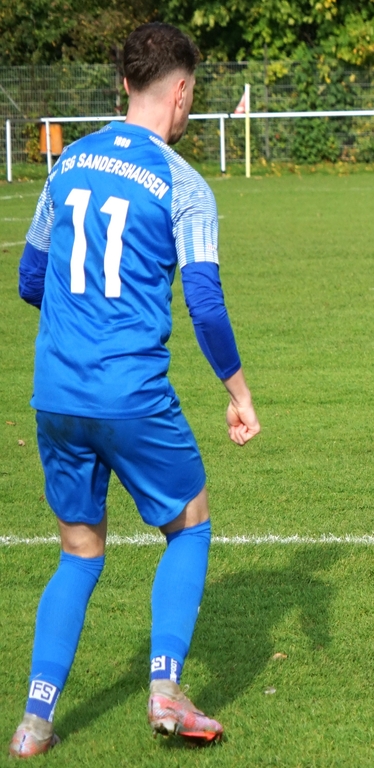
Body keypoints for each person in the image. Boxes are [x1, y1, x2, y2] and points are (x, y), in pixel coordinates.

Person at [9, 22, 260, 758]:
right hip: (130, 393)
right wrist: (239, 391)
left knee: (79, 552)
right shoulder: (184, 185)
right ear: (180, 92)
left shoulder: (67, 163)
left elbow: (30, 278)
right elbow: (204, 303)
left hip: (55, 392)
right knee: (190, 522)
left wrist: (80, 316)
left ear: (125, 83)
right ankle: (165, 688)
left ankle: (33, 722)